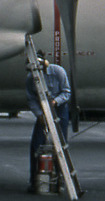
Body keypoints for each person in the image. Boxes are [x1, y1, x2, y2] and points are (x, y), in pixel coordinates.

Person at [25, 50, 71, 193]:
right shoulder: (30, 78)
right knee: (36, 145)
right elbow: (31, 99)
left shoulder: (58, 72)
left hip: (59, 108)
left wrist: (55, 101)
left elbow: (66, 92)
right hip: (43, 110)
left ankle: (61, 179)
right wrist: (39, 114)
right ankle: (35, 181)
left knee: (60, 145)